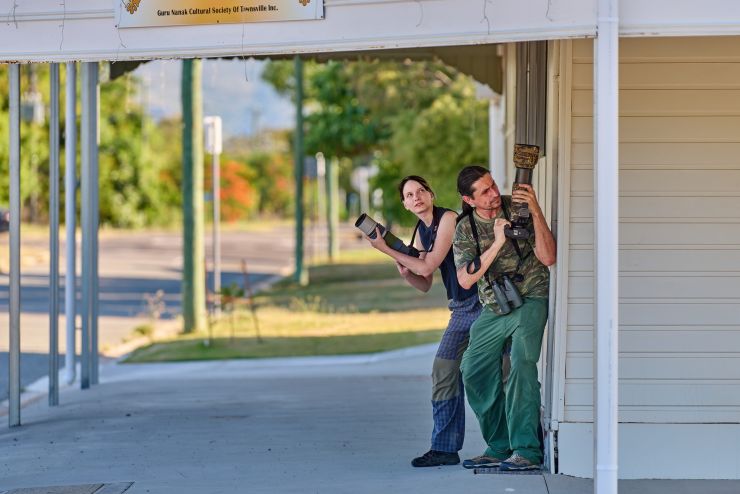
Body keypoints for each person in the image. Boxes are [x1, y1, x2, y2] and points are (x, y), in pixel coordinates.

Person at [363, 175, 481, 468]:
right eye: (409, 195)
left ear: (431, 193)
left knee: (492, 376)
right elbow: (425, 282)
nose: (416, 197)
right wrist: (406, 272)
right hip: (460, 308)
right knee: (443, 371)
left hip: (483, 304)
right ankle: (444, 448)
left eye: (420, 191)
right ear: (404, 204)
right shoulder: (420, 231)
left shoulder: (449, 219)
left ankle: (514, 445)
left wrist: (385, 248)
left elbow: (428, 263)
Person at [452, 165, 556, 472]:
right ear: (468, 200)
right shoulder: (466, 228)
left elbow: (549, 258)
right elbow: (465, 281)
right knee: (472, 369)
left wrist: (535, 209)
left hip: (531, 296)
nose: (494, 194)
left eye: (493, 185)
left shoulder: (519, 207)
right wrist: (497, 241)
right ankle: (499, 445)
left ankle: (526, 450)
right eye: (484, 191)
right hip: (495, 307)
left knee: (522, 364)